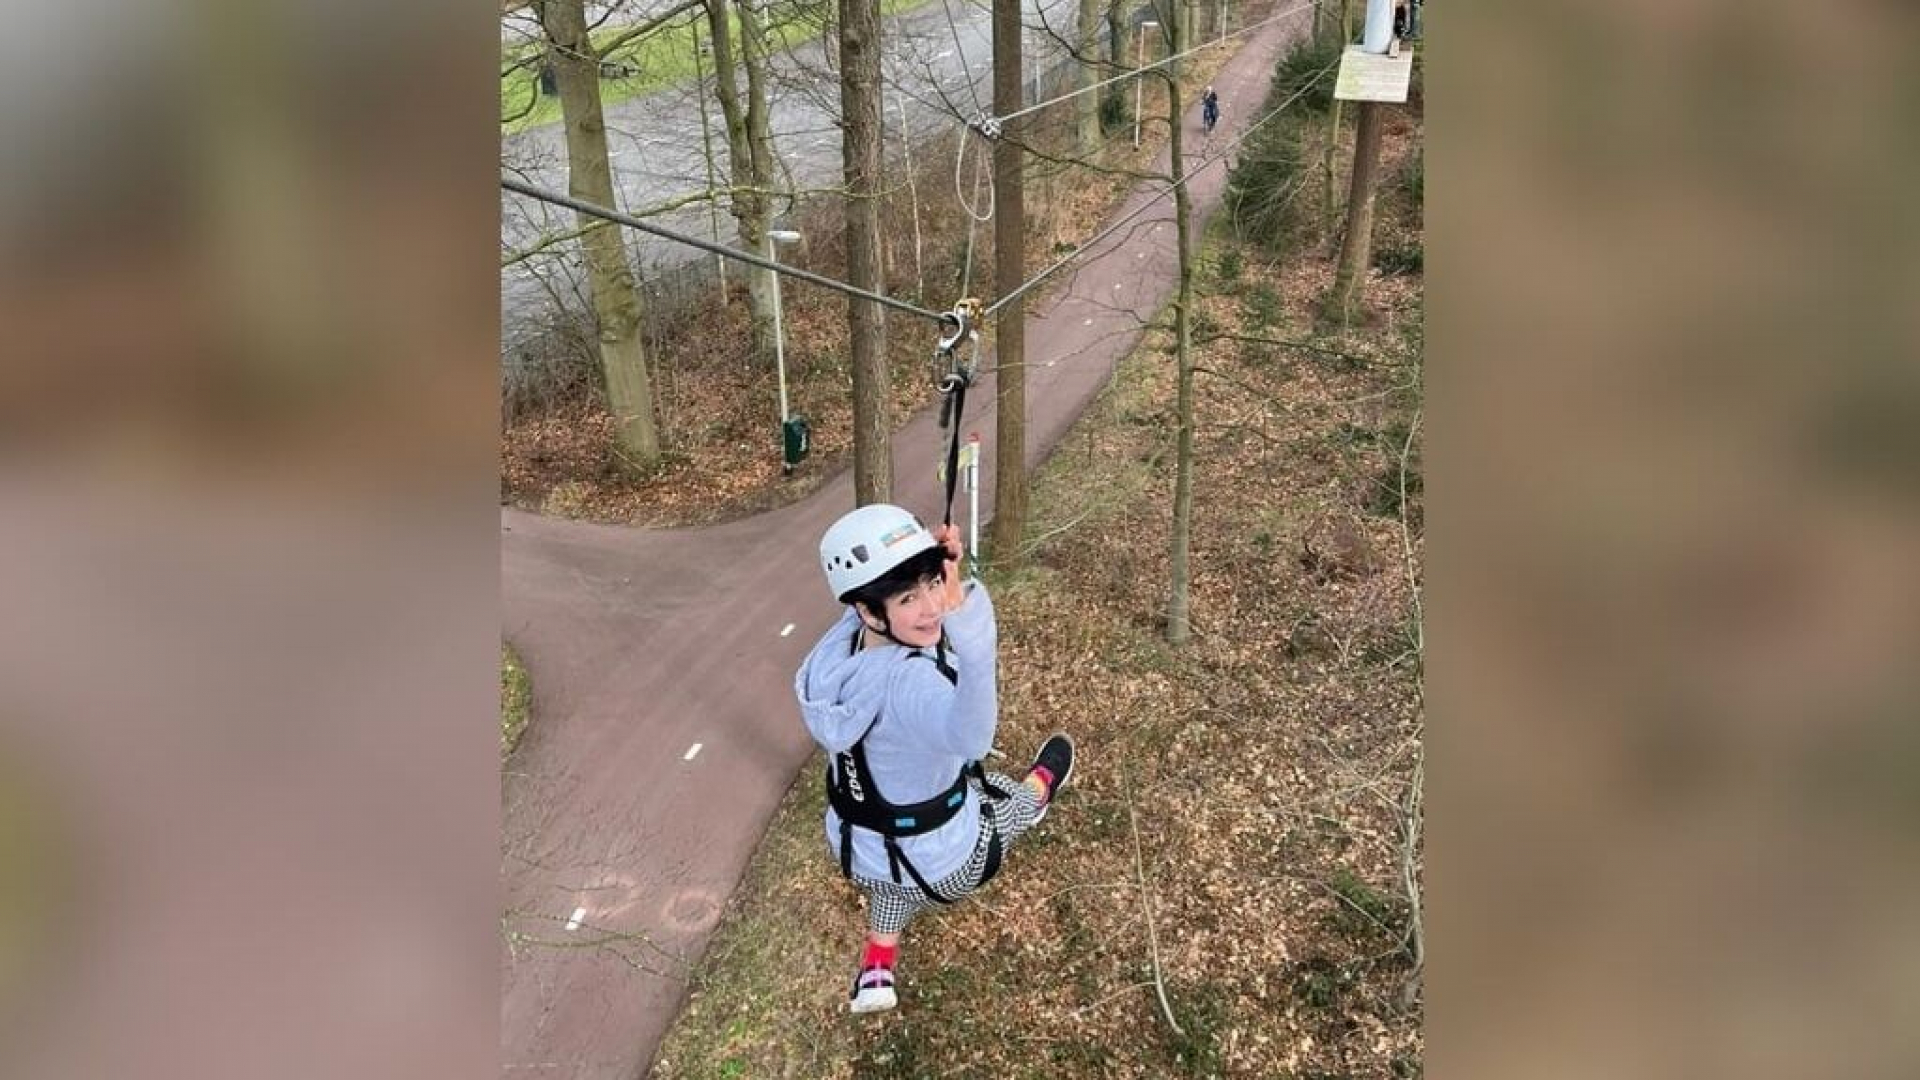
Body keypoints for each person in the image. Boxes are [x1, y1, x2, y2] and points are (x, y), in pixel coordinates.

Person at [796, 503, 1075, 1014]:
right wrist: (970, 627)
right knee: (1003, 807)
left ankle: (879, 963)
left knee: (892, 888)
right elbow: (971, 739)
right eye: (909, 597)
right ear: (869, 609)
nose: (932, 607)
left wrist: (927, 559)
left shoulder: (832, 662)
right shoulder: (910, 685)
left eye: (933, 586)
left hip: (857, 848)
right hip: (946, 864)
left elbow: (880, 595)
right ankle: (1039, 793)